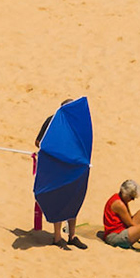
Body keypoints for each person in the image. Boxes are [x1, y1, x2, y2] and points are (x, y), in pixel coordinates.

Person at [36, 102, 88, 250]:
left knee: (73, 200)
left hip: (74, 168)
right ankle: (57, 237)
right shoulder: (52, 121)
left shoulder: (76, 123)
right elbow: (39, 142)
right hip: (57, 167)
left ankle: (72, 236)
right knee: (58, 200)